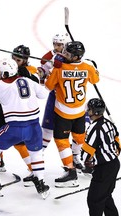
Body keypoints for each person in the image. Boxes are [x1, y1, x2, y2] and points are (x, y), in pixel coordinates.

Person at [0, 58, 50, 199]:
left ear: (6, 73)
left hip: (15, 127)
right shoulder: (28, 81)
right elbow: (43, 94)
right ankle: (41, 184)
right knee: (36, 153)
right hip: (34, 126)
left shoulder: (1, 85)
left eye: (0, 72)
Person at [44, 41, 100, 187]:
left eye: (67, 53)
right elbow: (96, 79)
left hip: (63, 112)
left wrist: (54, 69)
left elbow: (48, 86)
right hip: (80, 111)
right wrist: (91, 66)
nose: (64, 54)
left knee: (61, 141)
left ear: (76, 56)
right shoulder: (87, 67)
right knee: (79, 137)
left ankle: (70, 171)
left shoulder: (60, 68)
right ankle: (76, 157)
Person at [0, 45, 39, 186]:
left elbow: (38, 83)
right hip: (5, 109)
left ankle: (33, 170)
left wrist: (27, 74)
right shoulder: (8, 65)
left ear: (26, 60)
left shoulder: (30, 70)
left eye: (18, 59)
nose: (15, 61)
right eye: (13, 58)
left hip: (21, 113)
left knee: (19, 143)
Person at [39, 33, 88, 170]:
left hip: (73, 100)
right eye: (55, 44)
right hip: (57, 98)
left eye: (60, 44)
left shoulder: (67, 60)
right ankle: (38, 154)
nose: (57, 47)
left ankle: (76, 156)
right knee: (48, 128)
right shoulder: (54, 58)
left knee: (81, 131)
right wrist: (43, 73)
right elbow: (42, 69)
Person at [82, 98, 120, 216]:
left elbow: (86, 153)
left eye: (90, 109)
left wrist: (87, 162)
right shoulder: (109, 123)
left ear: (95, 112)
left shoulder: (94, 128)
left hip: (103, 169)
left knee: (94, 200)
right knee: (105, 196)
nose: (88, 111)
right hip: (114, 164)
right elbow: (117, 142)